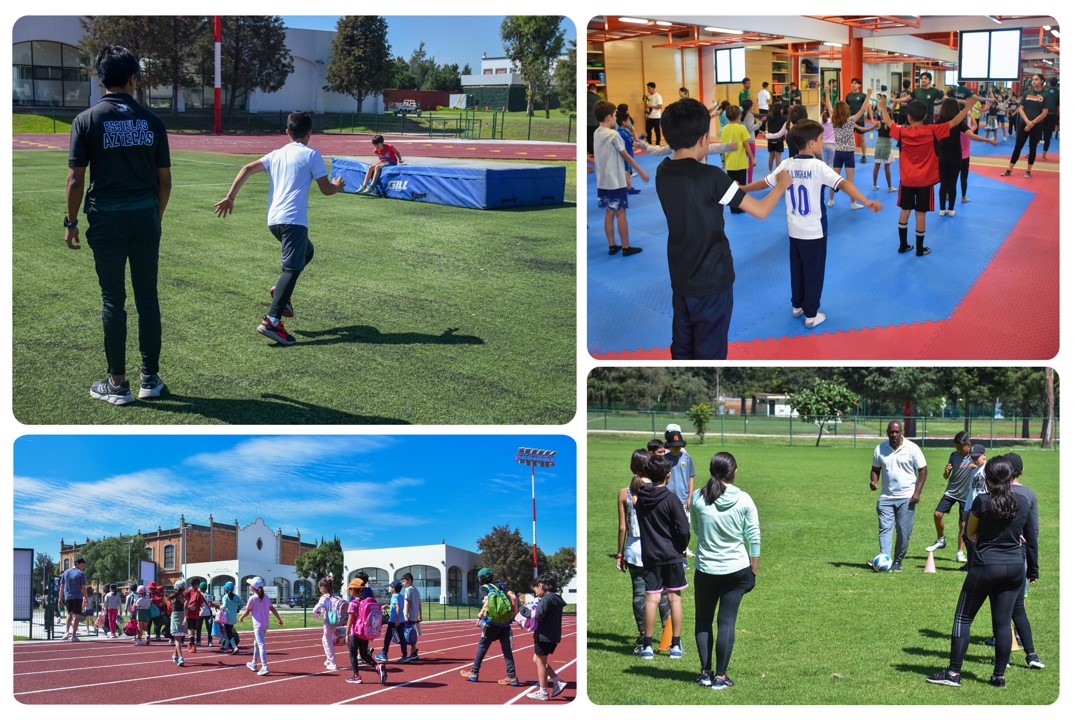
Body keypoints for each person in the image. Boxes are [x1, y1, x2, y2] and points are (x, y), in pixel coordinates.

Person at [65, 45, 171, 405]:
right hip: (145, 217)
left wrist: (71, 221)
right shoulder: (153, 121)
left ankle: (118, 384)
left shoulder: (87, 120)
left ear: (100, 78)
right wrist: (155, 216)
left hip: (106, 220)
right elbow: (165, 182)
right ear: (132, 79)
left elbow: (76, 179)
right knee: (148, 298)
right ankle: (150, 379)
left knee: (113, 300)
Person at [654, 98, 791, 360]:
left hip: (681, 275)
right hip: (712, 279)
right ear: (704, 138)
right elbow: (760, 211)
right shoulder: (711, 177)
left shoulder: (663, 171)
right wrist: (781, 185)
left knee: (682, 346)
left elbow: (723, 190)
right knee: (710, 350)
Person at [213, 110, 346, 346]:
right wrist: (337, 186)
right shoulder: (311, 154)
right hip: (294, 221)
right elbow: (326, 189)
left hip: (274, 221)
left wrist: (230, 197)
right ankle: (272, 321)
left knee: (307, 252)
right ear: (310, 133)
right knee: (292, 269)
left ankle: (281, 294)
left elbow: (246, 169)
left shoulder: (276, 154)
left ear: (287, 132)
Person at [742, 119, 880, 330]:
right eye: (821, 139)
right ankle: (811, 314)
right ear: (813, 143)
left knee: (797, 270)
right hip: (814, 232)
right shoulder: (818, 166)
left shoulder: (787, 164)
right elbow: (843, 184)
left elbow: (766, 182)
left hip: (793, 231)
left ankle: (797, 305)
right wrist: (865, 200)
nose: (823, 142)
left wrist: (744, 188)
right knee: (813, 273)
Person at [926, 456, 1037, 689]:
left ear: (988, 479)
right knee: (1002, 623)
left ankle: (954, 673)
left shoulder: (982, 502)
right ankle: (998, 677)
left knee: (962, 618)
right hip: (1015, 567)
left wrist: (979, 537)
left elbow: (970, 535)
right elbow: (1030, 538)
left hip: (986, 565)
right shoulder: (1024, 502)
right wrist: (1032, 569)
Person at [876, 93, 978, 256]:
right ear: (925, 116)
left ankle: (903, 245)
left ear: (908, 117)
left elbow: (888, 122)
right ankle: (920, 248)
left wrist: (882, 106)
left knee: (905, 210)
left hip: (907, 180)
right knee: (921, 213)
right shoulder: (933, 130)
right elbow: (955, 122)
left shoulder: (902, 132)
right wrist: (968, 106)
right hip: (925, 181)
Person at [690, 452, 759, 690]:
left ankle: (704, 673)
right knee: (726, 623)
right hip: (737, 569)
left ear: (711, 471)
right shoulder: (745, 499)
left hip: (706, 569)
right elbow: (754, 538)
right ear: (734, 471)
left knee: (703, 621)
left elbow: (696, 529)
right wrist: (754, 571)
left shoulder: (698, 497)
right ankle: (721, 677)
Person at [634, 454, 690, 660]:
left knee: (652, 598)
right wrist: (682, 546)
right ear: (668, 475)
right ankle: (675, 645)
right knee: (674, 598)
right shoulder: (671, 498)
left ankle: (647, 646)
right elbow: (683, 528)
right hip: (672, 555)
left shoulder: (640, 500)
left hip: (650, 555)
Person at [618, 449, 671, 653]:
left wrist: (620, 553)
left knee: (640, 595)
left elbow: (623, 527)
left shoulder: (625, 492)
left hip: (634, 548)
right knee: (663, 593)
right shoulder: (660, 490)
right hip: (658, 547)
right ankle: (668, 637)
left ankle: (643, 637)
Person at [870, 421, 927, 572]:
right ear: (887, 432)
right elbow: (875, 469)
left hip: (907, 497)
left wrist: (917, 493)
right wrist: (874, 481)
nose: (894, 435)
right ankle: (884, 559)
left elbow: (923, 470)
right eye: (891, 432)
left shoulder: (912, 448)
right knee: (885, 529)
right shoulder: (880, 449)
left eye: (897, 432)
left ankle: (898, 561)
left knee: (903, 531)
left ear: (901, 432)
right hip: (886, 498)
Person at [593, 100, 648, 257]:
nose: (615, 118)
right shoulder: (613, 134)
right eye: (615, 115)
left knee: (609, 212)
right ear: (609, 116)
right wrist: (641, 170)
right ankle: (625, 247)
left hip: (603, 181)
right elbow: (626, 157)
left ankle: (612, 245)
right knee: (621, 212)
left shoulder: (596, 133)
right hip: (615, 181)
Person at [459, 567, 521, 685]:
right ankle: (512, 676)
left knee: (483, 646)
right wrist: (514, 616)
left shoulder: (485, 588)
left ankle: (474, 673)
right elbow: (513, 598)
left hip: (492, 623)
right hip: (505, 623)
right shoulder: (501, 585)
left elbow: (487, 602)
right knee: (506, 649)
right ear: (492, 576)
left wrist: (480, 615)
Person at [935, 98, 996, 216]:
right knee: (952, 183)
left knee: (943, 184)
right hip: (956, 157)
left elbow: (932, 138)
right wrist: (988, 140)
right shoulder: (958, 123)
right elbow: (971, 136)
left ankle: (942, 209)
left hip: (942, 157)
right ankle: (951, 209)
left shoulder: (938, 122)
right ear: (956, 110)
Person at [821, 88, 875, 209]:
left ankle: (830, 200)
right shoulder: (850, 121)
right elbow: (862, 109)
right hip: (848, 153)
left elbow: (829, 106)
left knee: (834, 178)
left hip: (838, 153)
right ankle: (853, 203)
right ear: (846, 110)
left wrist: (827, 93)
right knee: (850, 180)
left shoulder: (834, 120)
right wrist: (869, 95)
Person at [926, 431, 975, 563]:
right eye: (956, 448)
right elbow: (946, 477)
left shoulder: (975, 457)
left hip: (966, 495)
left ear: (968, 445)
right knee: (937, 514)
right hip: (951, 492)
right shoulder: (954, 455)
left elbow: (983, 469)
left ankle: (960, 553)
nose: (958, 450)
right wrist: (946, 472)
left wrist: (975, 467)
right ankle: (941, 540)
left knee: (963, 524)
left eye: (960, 448)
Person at [524, 575, 568, 701]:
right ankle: (557, 680)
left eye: (535, 589)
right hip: (553, 635)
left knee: (540, 662)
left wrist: (524, 610)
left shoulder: (545, 600)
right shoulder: (556, 598)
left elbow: (537, 616)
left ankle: (543, 691)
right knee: (537, 660)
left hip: (544, 636)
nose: (535, 593)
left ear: (541, 586)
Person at [1001, 73, 1054, 179]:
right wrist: (1027, 121)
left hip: (1037, 125)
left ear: (1042, 81)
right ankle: (1009, 169)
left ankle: (1028, 171)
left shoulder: (1046, 95)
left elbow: (1044, 113)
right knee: (1018, 146)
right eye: (1032, 79)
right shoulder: (1027, 93)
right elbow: (1020, 108)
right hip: (1023, 124)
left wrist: (1032, 123)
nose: (1033, 81)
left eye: (1036, 79)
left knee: (1032, 148)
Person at [343, 576, 388, 685]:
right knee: (364, 655)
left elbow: (350, 619)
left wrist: (347, 633)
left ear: (354, 591)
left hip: (355, 632)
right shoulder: (366, 603)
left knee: (352, 653)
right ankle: (378, 665)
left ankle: (356, 676)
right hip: (364, 633)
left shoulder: (353, 604)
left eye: (350, 590)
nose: (349, 592)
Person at [237, 576, 284, 676]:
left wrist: (241, 617)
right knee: (256, 643)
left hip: (258, 626)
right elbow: (272, 609)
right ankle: (253, 663)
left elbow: (248, 611)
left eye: (250, 585)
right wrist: (279, 619)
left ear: (253, 587)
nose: (249, 586)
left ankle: (264, 666)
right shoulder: (265, 597)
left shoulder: (252, 598)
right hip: (265, 624)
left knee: (261, 644)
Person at [720, 106, 753, 213]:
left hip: (730, 163)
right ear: (739, 115)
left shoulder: (724, 129)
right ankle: (741, 207)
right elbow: (746, 145)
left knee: (732, 187)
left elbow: (723, 147)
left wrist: (723, 161)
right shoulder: (741, 128)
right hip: (741, 163)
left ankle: (733, 208)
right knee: (742, 187)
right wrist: (752, 159)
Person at [311, 578, 340, 671]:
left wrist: (317, 614)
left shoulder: (324, 598)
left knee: (328, 642)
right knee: (325, 639)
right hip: (336, 621)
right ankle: (328, 659)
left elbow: (315, 609)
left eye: (320, 587)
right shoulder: (336, 596)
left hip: (328, 622)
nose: (319, 589)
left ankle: (333, 663)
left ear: (323, 588)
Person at [870, 95, 897, 192]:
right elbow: (896, 134)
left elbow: (866, 129)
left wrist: (858, 127)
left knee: (876, 165)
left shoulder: (878, 123)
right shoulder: (890, 124)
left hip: (878, 145)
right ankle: (890, 187)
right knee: (887, 167)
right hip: (886, 146)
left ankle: (874, 185)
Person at [375, 579, 407, 662]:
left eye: (391, 587)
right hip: (401, 620)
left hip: (394, 621)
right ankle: (405, 656)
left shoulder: (395, 596)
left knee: (387, 637)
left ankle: (384, 654)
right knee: (402, 638)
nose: (390, 588)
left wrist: (396, 620)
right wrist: (387, 606)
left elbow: (398, 608)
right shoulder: (400, 596)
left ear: (394, 588)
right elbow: (396, 606)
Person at [59, 557, 87, 641]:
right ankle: (74, 636)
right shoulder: (81, 574)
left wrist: (60, 598)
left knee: (69, 614)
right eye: (83, 564)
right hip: (77, 597)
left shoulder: (65, 572)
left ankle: (67, 632)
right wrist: (86, 597)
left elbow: (61, 586)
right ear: (78, 564)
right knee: (76, 616)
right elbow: (83, 588)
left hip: (68, 597)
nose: (83, 566)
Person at [616, 109, 641, 195]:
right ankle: (628, 188)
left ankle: (626, 188)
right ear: (624, 122)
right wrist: (641, 137)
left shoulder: (620, 132)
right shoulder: (624, 133)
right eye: (628, 120)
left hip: (625, 155)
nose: (629, 122)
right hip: (627, 156)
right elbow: (634, 143)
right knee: (627, 173)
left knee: (626, 172)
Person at [845, 78, 870, 163]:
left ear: (859, 85)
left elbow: (866, 106)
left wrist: (872, 118)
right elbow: (846, 108)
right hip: (849, 120)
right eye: (852, 83)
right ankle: (849, 154)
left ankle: (863, 155)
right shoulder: (848, 96)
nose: (853, 85)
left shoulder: (863, 95)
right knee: (849, 138)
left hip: (860, 120)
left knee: (861, 138)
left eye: (855, 83)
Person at [399, 572, 422, 662]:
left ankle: (408, 654)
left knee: (405, 635)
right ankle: (413, 652)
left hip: (408, 616)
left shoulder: (408, 590)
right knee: (410, 634)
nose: (403, 583)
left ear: (409, 580)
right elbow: (419, 604)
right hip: (414, 615)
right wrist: (420, 615)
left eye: (404, 581)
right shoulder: (416, 590)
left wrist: (405, 615)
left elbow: (407, 602)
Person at [168, 581, 189, 667]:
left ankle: (180, 657)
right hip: (182, 616)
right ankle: (176, 655)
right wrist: (185, 617)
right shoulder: (184, 597)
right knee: (179, 638)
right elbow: (185, 607)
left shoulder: (172, 597)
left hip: (175, 616)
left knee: (177, 639)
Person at [218, 581, 243, 654]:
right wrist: (238, 608)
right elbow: (243, 603)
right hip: (233, 617)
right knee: (228, 631)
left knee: (228, 633)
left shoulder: (225, 597)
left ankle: (234, 647)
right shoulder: (236, 596)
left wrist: (220, 607)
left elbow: (224, 605)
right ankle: (225, 647)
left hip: (226, 617)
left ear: (225, 589)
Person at [1040, 76, 1059, 162]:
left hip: (1043, 115)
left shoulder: (1045, 92)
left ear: (1049, 83)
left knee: (1036, 133)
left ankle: (1030, 153)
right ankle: (1044, 155)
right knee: (1048, 136)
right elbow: (1059, 106)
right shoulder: (1059, 92)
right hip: (1052, 115)